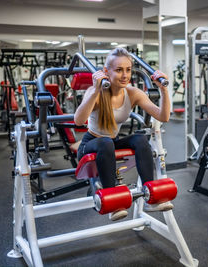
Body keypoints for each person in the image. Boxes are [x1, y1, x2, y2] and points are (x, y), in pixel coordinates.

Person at [74, 47, 173, 221]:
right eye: (119, 70)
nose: (125, 75)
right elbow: (78, 120)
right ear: (106, 72)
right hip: (91, 144)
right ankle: (112, 202)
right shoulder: (94, 92)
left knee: (140, 139)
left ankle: (150, 196)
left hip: (111, 142)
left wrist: (163, 90)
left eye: (128, 70)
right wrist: (96, 90)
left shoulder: (132, 93)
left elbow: (163, 116)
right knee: (105, 142)